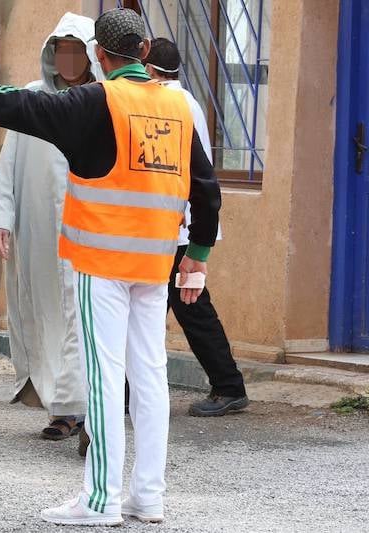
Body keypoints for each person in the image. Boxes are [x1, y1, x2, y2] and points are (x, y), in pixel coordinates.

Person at [0, 7, 221, 526]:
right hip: (156, 262)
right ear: (144, 51)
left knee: (103, 376)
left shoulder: (97, 101)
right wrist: (198, 260)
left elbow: (23, 106)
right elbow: (206, 189)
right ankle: (147, 496)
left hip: (102, 263)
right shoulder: (180, 106)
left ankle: (99, 501)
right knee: (149, 377)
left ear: (100, 55)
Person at [0, 12, 103, 444]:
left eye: (76, 50)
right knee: (45, 315)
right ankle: (59, 404)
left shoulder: (100, 100)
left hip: (88, 234)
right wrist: (0, 217)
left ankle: (79, 409)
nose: (67, 60)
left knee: (80, 317)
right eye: (61, 50)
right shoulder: (33, 98)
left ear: (91, 54)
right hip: (38, 233)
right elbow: (9, 163)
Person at [143, 38, 249, 417]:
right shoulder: (185, 100)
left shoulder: (168, 103)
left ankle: (229, 387)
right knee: (180, 308)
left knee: (188, 308)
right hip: (186, 226)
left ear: (150, 69)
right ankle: (228, 386)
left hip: (179, 229)